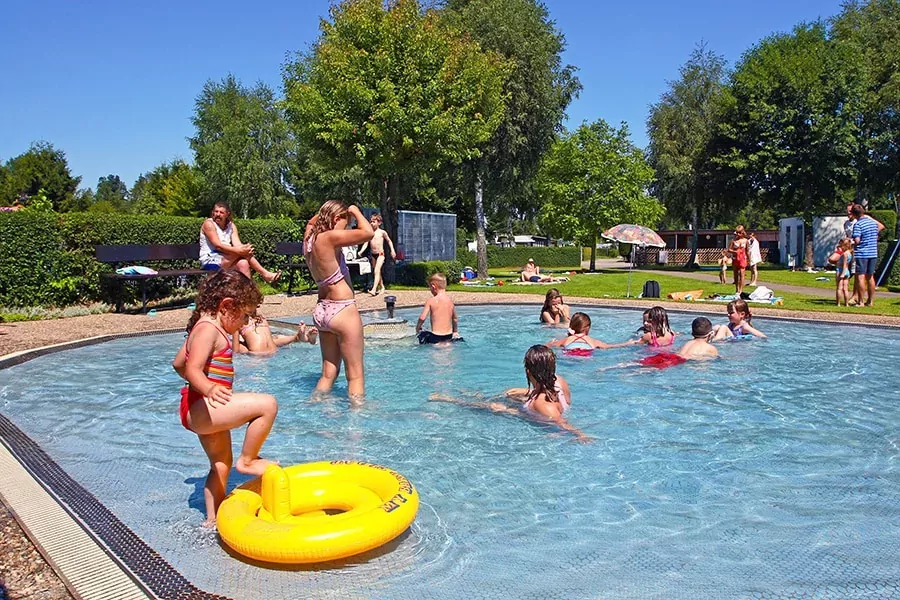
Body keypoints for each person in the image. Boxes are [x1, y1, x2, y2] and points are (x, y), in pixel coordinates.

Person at [171, 269, 279, 526]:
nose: (243, 324)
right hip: (202, 406)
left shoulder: (202, 327)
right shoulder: (209, 329)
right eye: (243, 316)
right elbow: (193, 369)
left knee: (220, 465)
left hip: (199, 408)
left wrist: (203, 387)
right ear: (226, 306)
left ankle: (213, 519)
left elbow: (178, 364)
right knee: (267, 404)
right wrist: (208, 388)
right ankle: (249, 459)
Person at [429, 345, 591, 442]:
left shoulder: (541, 404)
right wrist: (527, 392)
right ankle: (472, 395)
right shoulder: (560, 381)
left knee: (493, 406)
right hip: (538, 402)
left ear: (528, 371)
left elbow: (560, 422)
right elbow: (556, 398)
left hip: (533, 418)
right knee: (509, 394)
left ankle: (453, 400)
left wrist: (580, 434)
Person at [304, 201, 375, 401]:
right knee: (355, 376)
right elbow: (368, 233)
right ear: (336, 219)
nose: (347, 228)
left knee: (328, 374)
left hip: (321, 311)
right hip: (342, 310)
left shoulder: (309, 238)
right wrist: (354, 210)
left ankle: (313, 405)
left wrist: (327, 212)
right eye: (346, 223)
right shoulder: (330, 237)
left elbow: (311, 222)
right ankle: (357, 425)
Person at [199, 202, 281, 284]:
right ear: (212, 212)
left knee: (243, 263)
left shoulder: (231, 226)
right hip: (210, 259)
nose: (218, 214)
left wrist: (245, 248)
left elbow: (237, 244)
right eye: (216, 211)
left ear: (227, 214)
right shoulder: (209, 224)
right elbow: (218, 246)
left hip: (227, 256)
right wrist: (241, 251)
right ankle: (265, 274)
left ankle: (247, 292)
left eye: (221, 212)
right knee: (242, 253)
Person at [850, 203, 885, 307]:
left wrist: (851, 242)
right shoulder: (873, 223)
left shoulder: (858, 224)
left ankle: (861, 302)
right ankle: (870, 301)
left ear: (854, 214)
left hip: (862, 253)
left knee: (860, 276)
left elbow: (857, 240)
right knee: (870, 277)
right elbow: (880, 227)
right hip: (873, 252)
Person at [547, 312, 629, 355]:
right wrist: (627, 343)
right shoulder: (592, 341)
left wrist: (549, 344)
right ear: (588, 328)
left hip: (570, 352)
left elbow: (550, 346)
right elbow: (609, 346)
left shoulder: (567, 340)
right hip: (586, 353)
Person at [416, 273, 463, 344]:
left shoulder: (431, 301)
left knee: (421, 335)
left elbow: (422, 318)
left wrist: (418, 328)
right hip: (448, 336)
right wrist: (455, 331)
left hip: (435, 337)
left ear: (433, 286)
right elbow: (455, 319)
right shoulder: (450, 301)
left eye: (430, 288)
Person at [233, 316, 318, 355]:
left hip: (257, 356)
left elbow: (235, 350)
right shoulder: (261, 319)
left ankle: (298, 337)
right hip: (274, 350)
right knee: (276, 338)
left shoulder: (238, 321)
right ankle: (297, 338)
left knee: (231, 344)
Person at [359, 213, 396, 297]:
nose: (372, 223)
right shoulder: (370, 233)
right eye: (371, 222)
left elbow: (389, 241)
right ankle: (382, 287)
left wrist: (392, 250)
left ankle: (374, 289)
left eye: (374, 222)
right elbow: (366, 243)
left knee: (376, 270)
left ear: (379, 223)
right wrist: (361, 251)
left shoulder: (382, 232)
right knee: (377, 272)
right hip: (373, 255)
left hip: (380, 254)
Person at [828, 238, 854, 307]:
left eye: (841, 245)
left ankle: (838, 303)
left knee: (839, 288)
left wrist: (842, 273)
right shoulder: (850, 253)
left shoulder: (845, 254)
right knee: (846, 288)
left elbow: (845, 264)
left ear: (844, 246)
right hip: (847, 271)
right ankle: (846, 303)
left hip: (841, 270)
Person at [726, 225, 749, 295]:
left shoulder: (746, 241)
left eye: (739, 233)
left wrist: (749, 259)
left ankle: (741, 290)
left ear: (742, 233)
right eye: (737, 233)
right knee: (736, 274)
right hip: (735, 258)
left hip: (743, 259)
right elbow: (729, 249)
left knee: (742, 273)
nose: (738, 234)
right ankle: (737, 288)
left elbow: (747, 250)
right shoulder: (734, 241)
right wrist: (734, 251)